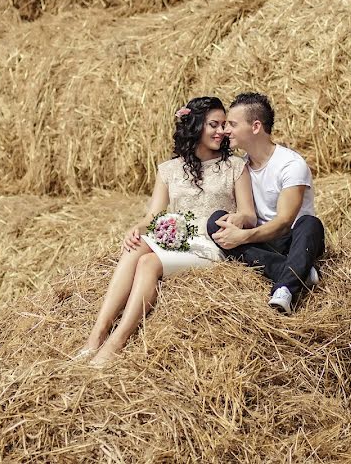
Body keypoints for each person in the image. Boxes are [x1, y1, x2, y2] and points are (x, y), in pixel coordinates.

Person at [81, 96, 256, 366]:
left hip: (211, 243)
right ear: (195, 126)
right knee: (138, 246)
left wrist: (237, 219)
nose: (221, 131)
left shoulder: (235, 167)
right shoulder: (169, 170)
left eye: (224, 125)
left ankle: (116, 343)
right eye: (214, 124)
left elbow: (249, 214)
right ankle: (97, 335)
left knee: (149, 262)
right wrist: (136, 228)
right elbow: (153, 215)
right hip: (178, 238)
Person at [208, 92, 325, 314]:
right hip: (264, 244)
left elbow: (283, 222)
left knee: (311, 223)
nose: (225, 131)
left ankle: (283, 289)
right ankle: (297, 272)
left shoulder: (290, 164)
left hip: (295, 241)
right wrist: (239, 219)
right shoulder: (240, 167)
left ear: (255, 127)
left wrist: (243, 237)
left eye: (232, 124)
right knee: (216, 221)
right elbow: (245, 213)